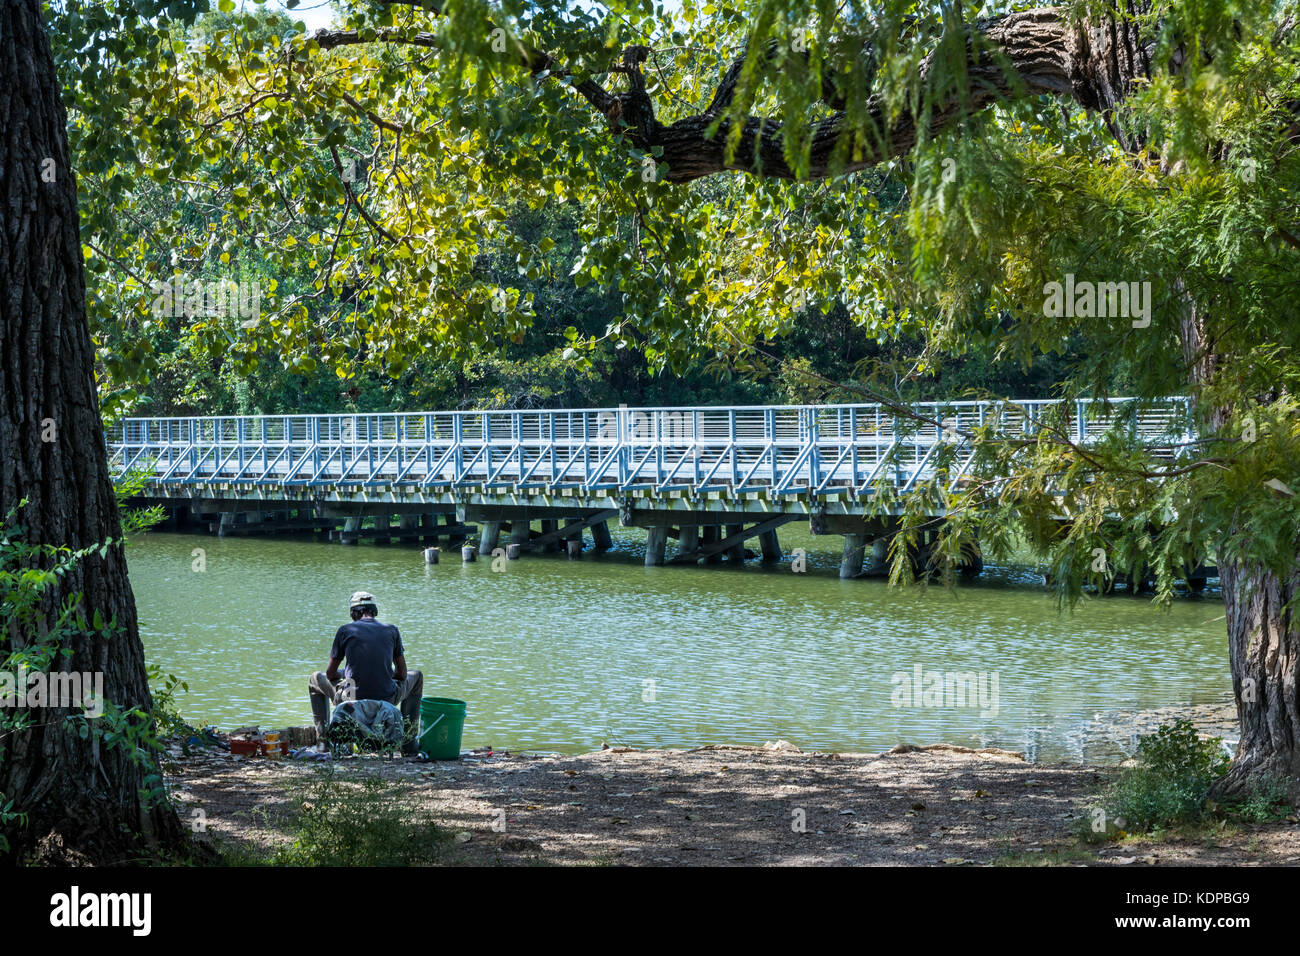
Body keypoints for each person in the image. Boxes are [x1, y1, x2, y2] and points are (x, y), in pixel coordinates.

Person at [309, 590, 423, 754]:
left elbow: (330, 674)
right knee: (417, 676)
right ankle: (409, 743)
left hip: (352, 697)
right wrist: (381, 672)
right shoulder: (392, 630)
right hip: (387, 697)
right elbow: (402, 675)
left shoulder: (345, 631)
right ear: (374, 611)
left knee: (315, 680)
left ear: (354, 613)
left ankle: (323, 743)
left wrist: (347, 673)